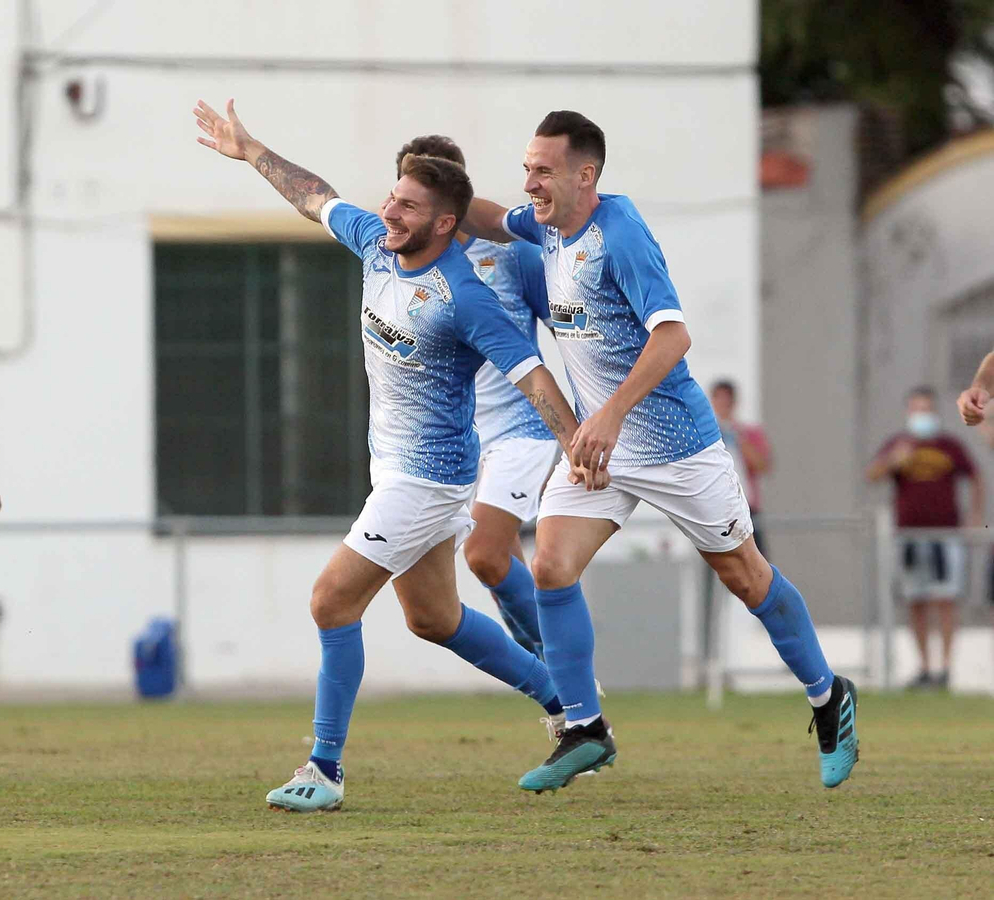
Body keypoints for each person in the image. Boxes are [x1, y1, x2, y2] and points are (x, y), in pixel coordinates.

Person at [193, 99, 603, 813]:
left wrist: (576, 443)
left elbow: (532, 372)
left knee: (330, 600)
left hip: (427, 483)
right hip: (398, 472)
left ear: (446, 222)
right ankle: (567, 703)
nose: (391, 210)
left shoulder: (465, 296)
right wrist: (252, 148)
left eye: (409, 205)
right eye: (392, 196)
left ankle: (324, 769)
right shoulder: (377, 245)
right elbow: (314, 196)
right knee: (434, 620)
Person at [459, 110, 858, 791]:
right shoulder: (547, 229)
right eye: (526, 167)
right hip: (602, 452)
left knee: (745, 578)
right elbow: (493, 218)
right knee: (550, 565)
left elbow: (674, 336)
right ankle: (585, 728)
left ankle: (829, 696)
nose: (529, 180)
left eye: (542, 169)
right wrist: (428, 188)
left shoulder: (620, 235)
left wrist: (609, 415)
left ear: (585, 176)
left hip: (676, 445)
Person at [393, 135, 557, 660]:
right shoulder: (394, 265)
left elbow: (572, 332)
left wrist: (591, 419)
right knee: (497, 567)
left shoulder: (510, 255)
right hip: (459, 442)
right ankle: (561, 693)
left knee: (484, 555)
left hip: (521, 430)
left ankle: (568, 676)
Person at [868, 386, 981, 689]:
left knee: (945, 599)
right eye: (917, 410)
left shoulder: (949, 445)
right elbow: (873, 475)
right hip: (909, 535)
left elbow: (975, 475)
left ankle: (944, 669)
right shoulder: (898, 444)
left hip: (945, 534)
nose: (922, 416)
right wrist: (894, 460)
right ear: (908, 412)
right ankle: (924, 667)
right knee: (915, 600)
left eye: (927, 409)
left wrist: (976, 517)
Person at [711, 379, 773, 555]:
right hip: (715, 507)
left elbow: (762, 465)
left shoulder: (748, 432)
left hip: (746, 507)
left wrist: (737, 436)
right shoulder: (707, 433)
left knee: (758, 559)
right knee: (713, 562)